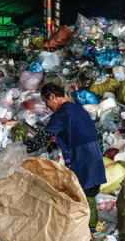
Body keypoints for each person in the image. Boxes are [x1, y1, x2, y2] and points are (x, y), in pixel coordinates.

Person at [26, 83, 107, 229]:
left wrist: (20, 149)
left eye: (47, 102)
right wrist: (96, 154)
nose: (48, 107)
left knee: (84, 201)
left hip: (83, 164)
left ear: (53, 97)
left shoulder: (62, 115)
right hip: (95, 162)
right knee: (88, 198)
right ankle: (91, 236)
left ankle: (89, 239)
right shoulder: (79, 109)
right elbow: (98, 134)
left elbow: (40, 140)